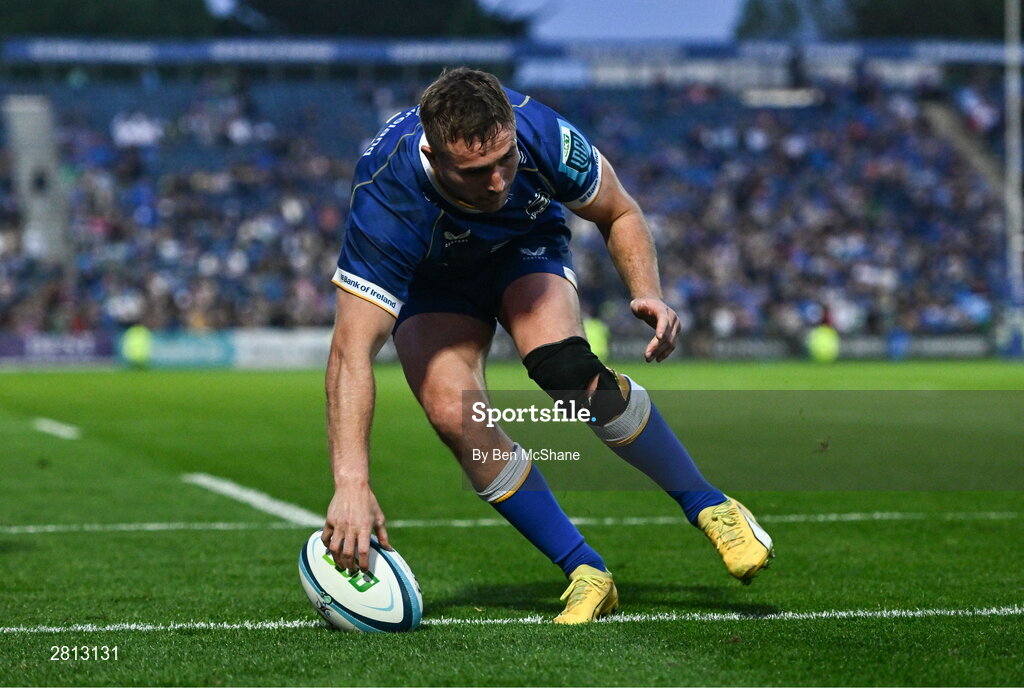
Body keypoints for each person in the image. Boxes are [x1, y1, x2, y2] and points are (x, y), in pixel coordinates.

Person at [321, 67, 774, 624]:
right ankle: (585, 569)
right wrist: (351, 483)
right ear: (434, 159)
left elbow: (620, 210)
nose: (497, 182)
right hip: (433, 279)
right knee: (452, 414)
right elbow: (350, 353)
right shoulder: (385, 194)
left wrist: (647, 292)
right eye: (476, 171)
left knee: (565, 371)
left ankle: (711, 506)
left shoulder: (541, 131)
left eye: (504, 161)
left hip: (522, 247)